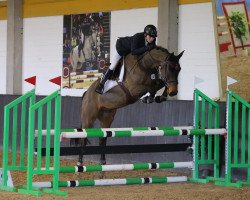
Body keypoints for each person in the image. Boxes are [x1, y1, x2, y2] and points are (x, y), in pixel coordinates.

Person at [95, 24, 157, 94]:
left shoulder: (152, 40)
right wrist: (146, 48)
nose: (152, 39)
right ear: (145, 34)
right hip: (122, 47)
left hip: (132, 50)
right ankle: (102, 84)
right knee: (113, 65)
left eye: (153, 37)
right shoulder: (138, 37)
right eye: (150, 37)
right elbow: (134, 51)